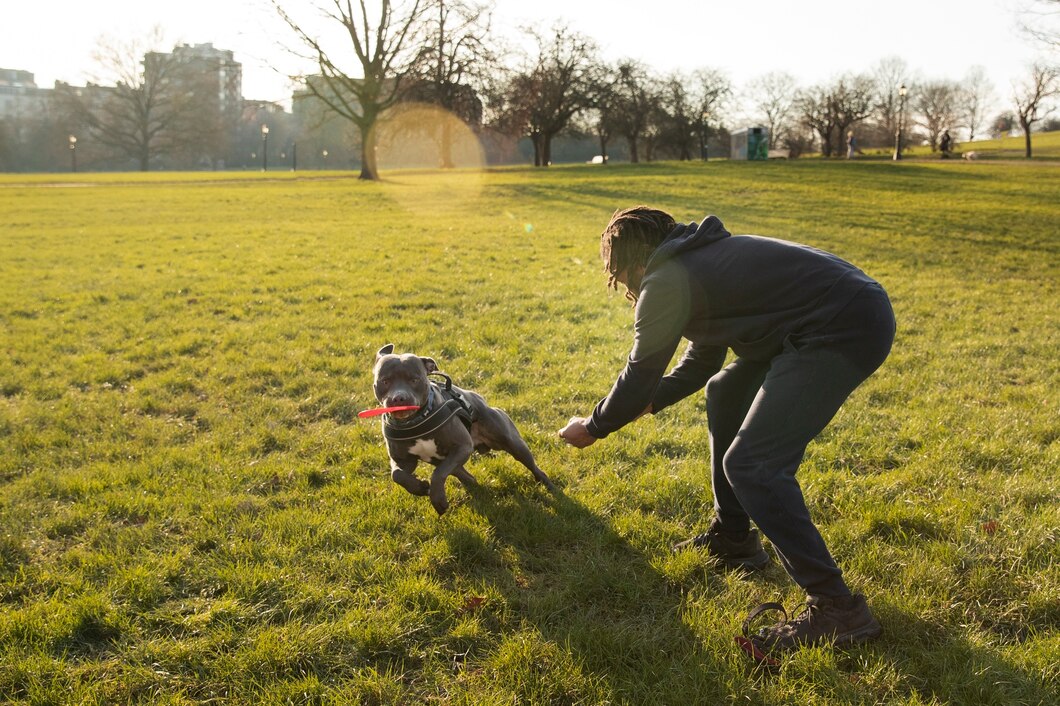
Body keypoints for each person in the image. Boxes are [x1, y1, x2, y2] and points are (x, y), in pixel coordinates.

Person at [559, 207, 896, 653]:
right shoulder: (697, 263)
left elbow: (640, 372)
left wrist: (595, 425)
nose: (625, 289)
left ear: (633, 261)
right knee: (725, 391)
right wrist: (650, 403)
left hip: (839, 326)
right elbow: (702, 362)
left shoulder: (666, 280)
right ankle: (734, 537)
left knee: (754, 465)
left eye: (620, 278)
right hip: (843, 312)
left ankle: (837, 608)